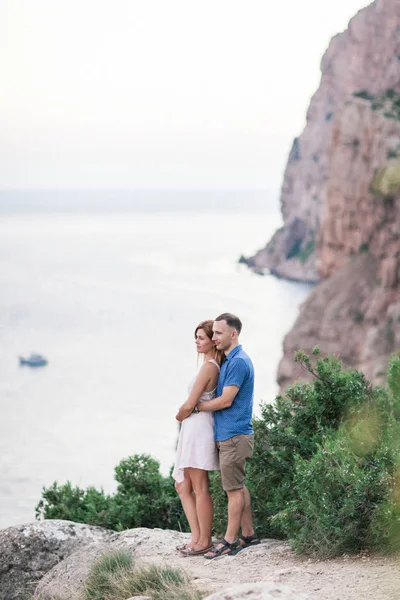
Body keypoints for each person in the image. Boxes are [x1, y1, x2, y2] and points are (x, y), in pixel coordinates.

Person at [197, 312, 259, 558]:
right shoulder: (231, 360)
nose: (214, 338)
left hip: (234, 436)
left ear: (233, 334)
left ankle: (230, 540)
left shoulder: (238, 362)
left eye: (219, 333)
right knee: (239, 486)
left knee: (233, 490)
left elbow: (225, 400)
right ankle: (249, 533)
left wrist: (196, 407)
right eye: (213, 333)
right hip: (233, 435)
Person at [173, 320, 224, 556]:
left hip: (198, 428)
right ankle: (197, 538)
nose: (196, 341)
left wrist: (179, 415)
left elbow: (190, 405)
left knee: (200, 487)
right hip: (193, 428)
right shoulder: (207, 365)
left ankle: (204, 541)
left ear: (212, 340)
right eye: (196, 337)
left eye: (201, 337)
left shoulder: (209, 367)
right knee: (183, 484)